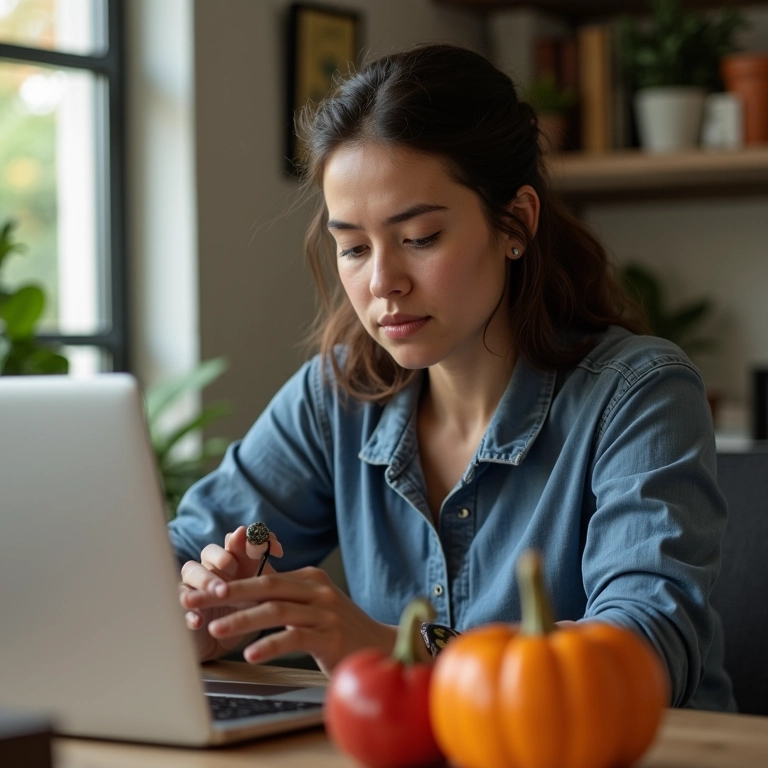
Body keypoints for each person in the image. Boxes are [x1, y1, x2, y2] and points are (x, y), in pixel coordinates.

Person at [171, 43, 735, 710]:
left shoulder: (638, 394)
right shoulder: (337, 396)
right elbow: (182, 550)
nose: (382, 282)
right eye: (352, 247)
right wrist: (197, 609)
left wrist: (397, 650)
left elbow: (642, 649)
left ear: (515, 222)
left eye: (419, 238)